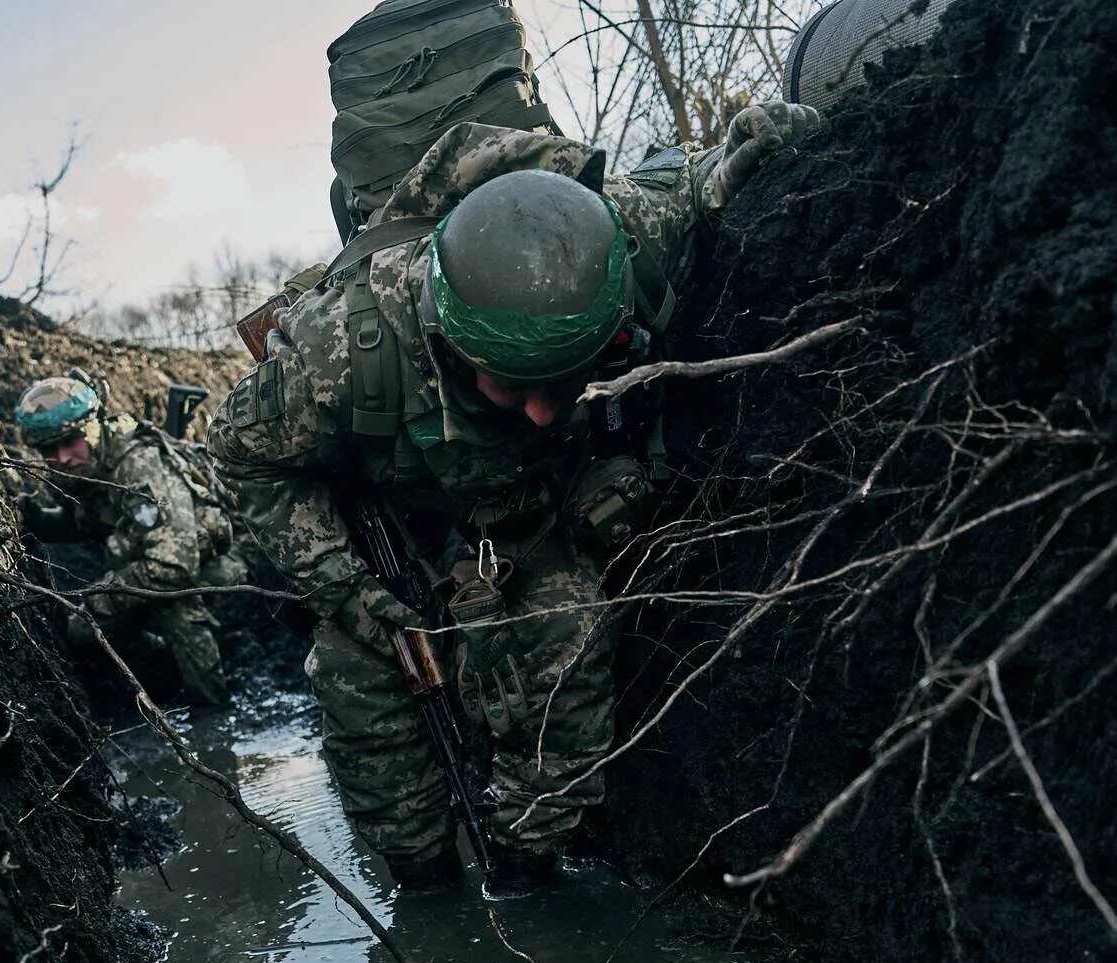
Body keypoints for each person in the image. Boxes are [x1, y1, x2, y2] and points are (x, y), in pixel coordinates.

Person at [209, 104, 820, 898]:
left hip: (535, 522)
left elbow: (694, 182)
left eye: (561, 384)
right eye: (510, 385)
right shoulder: (343, 350)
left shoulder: (621, 244)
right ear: (448, 335)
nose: (540, 412)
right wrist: (352, 592)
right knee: (362, 696)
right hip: (398, 535)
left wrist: (743, 153)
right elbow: (241, 456)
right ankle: (424, 890)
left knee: (568, 652)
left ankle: (526, 876)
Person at [14, 373, 243, 705]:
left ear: (93, 427)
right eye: (49, 449)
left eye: (70, 441)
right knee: (82, 631)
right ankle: (156, 676)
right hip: (151, 563)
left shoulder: (137, 464)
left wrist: (100, 598)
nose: (62, 458)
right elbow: (89, 522)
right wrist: (38, 521)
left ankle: (213, 715)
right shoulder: (90, 464)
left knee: (175, 611)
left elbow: (175, 565)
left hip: (211, 568)